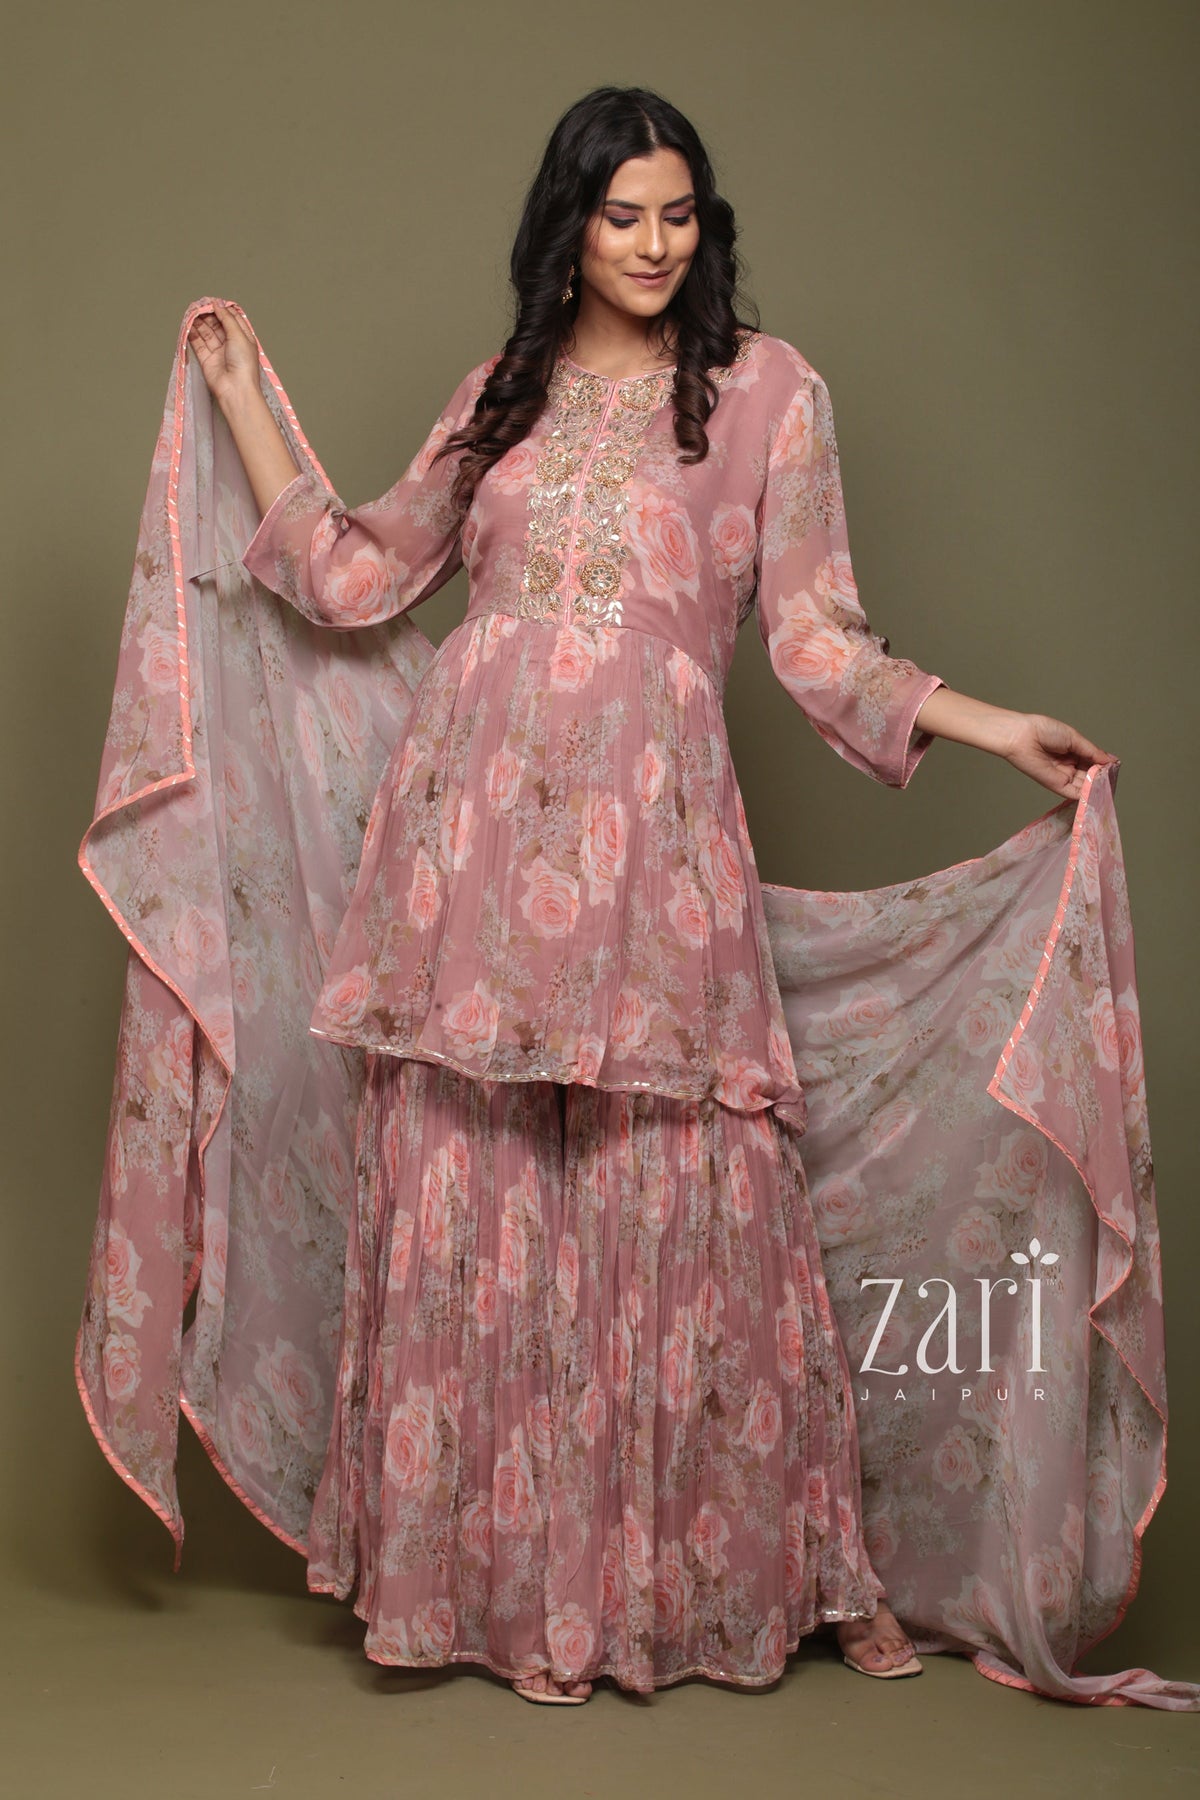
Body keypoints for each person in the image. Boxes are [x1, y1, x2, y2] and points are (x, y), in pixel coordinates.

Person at [183, 86, 1114, 1704]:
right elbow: (357, 574)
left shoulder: (765, 392)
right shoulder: (502, 393)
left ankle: (705, 1578)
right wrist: (243, 400)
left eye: (680, 214)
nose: (656, 243)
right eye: (624, 216)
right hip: (471, 841)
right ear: (572, 225)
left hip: (653, 847)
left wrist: (988, 723)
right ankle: (485, 1580)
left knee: (682, 1182)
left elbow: (815, 640)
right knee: (474, 1174)